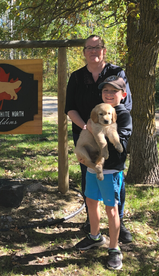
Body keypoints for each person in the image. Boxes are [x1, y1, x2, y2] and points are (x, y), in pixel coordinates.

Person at [65, 34, 133, 243]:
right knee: (90, 181)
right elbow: (70, 108)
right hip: (86, 138)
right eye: (89, 48)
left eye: (98, 47)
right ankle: (92, 225)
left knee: (114, 186)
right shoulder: (76, 77)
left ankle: (118, 226)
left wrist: (112, 132)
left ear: (104, 50)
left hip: (113, 139)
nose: (94, 51)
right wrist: (86, 127)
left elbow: (126, 104)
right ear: (84, 52)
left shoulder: (117, 73)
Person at [74, 75, 132, 270]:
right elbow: (90, 131)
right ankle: (95, 236)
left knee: (111, 209)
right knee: (90, 201)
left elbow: (120, 145)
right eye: (105, 91)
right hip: (92, 168)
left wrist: (98, 135)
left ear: (122, 95)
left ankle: (114, 248)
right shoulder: (98, 111)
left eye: (114, 91)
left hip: (111, 171)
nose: (109, 94)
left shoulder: (122, 115)